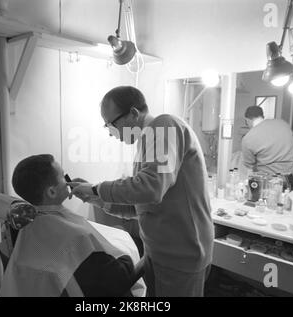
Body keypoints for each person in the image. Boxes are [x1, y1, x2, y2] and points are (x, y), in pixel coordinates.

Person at [69, 86, 214, 297]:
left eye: (112, 124)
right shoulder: (147, 142)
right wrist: (95, 197)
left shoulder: (165, 125)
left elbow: (151, 187)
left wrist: (97, 188)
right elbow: (142, 206)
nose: (111, 132)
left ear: (134, 113)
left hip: (182, 254)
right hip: (158, 252)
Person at [0, 154, 139, 297]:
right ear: (51, 192)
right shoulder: (78, 238)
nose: (68, 180)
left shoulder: (22, 227)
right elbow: (119, 279)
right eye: (63, 176)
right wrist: (127, 257)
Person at [242, 105, 293, 182]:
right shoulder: (283, 124)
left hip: (271, 182)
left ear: (247, 120)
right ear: (263, 116)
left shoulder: (248, 138)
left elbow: (249, 166)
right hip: (292, 177)